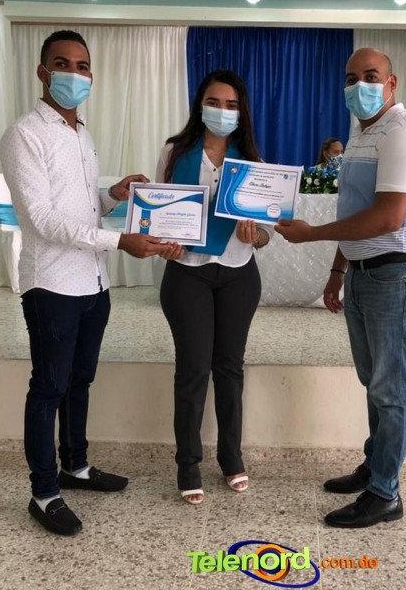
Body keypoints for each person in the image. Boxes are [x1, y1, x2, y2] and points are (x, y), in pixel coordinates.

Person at [0, 30, 182, 536]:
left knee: (79, 381)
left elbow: (79, 209)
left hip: (93, 284)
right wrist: (119, 240)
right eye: (63, 64)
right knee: (49, 388)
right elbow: (41, 220)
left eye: (83, 66)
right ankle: (43, 492)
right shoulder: (24, 135)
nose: (74, 74)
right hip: (52, 285)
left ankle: (75, 466)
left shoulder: (81, 133)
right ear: (42, 72)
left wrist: (114, 196)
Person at [275, 48, 406, 528]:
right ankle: (375, 466)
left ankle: (385, 494)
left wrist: (311, 235)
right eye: (351, 78)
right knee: (375, 382)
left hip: (400, 272)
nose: (359, 86)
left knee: (392, 387)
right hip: (367, 271)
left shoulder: (405, 132)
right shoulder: (363, 133)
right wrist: (338, 271)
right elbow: (355, 212)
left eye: (370, 76)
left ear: (392, 82)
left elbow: (389, 217)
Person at [155, 70, 272, 506]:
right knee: (193, 368)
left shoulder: (253, 161)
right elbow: (159, 211)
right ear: (199, 105)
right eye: (214, 102)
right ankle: (188, 463)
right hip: (187, 272)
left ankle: (230, 456)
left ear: (242, 112)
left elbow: (267, 232)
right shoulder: (174, 151)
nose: (222, 111)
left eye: (231, 105)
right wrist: (164, 242)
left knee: (230, 368)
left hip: (238, 272)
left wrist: (254, 235)